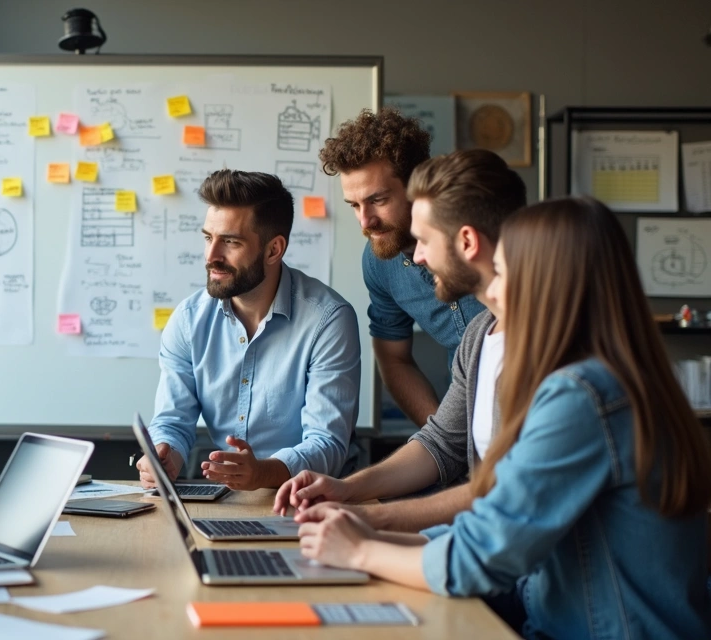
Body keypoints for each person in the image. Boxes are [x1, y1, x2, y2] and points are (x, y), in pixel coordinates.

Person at [298, 197, 711, 639]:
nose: (491, 292)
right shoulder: (609, 376)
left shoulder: (581, 397)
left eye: (505, 274)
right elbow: (492, 526)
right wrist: (365, 532)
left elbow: (479, 558)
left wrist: (361, 551)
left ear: (548, 284)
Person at [274, 149, 526, 532]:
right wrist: (345, 491)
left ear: (467, 241)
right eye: (354, 204)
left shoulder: (550, 346)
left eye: (377, 200)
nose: (416, 259)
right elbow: (443, 441)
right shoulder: (480, 338)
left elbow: (507, 496)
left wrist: (367, 522)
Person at [135, 169, 361, 491]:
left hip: (309, 499)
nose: (212, 256)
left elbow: (328, 444)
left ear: (273, 250)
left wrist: (262, 473)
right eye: (208, 238)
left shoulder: (328, 321)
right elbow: (172, 421)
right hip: (225, 498)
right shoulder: (188, 320)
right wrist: (164, 455)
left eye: (230, 242)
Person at [319, 107, 484, 426]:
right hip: (471, 433)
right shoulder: (378, 262)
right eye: (354, 205)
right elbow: (394, 358)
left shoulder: (485, 237)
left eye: (377, 200)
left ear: (417, 186)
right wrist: (446, 437)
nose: (365, 222)